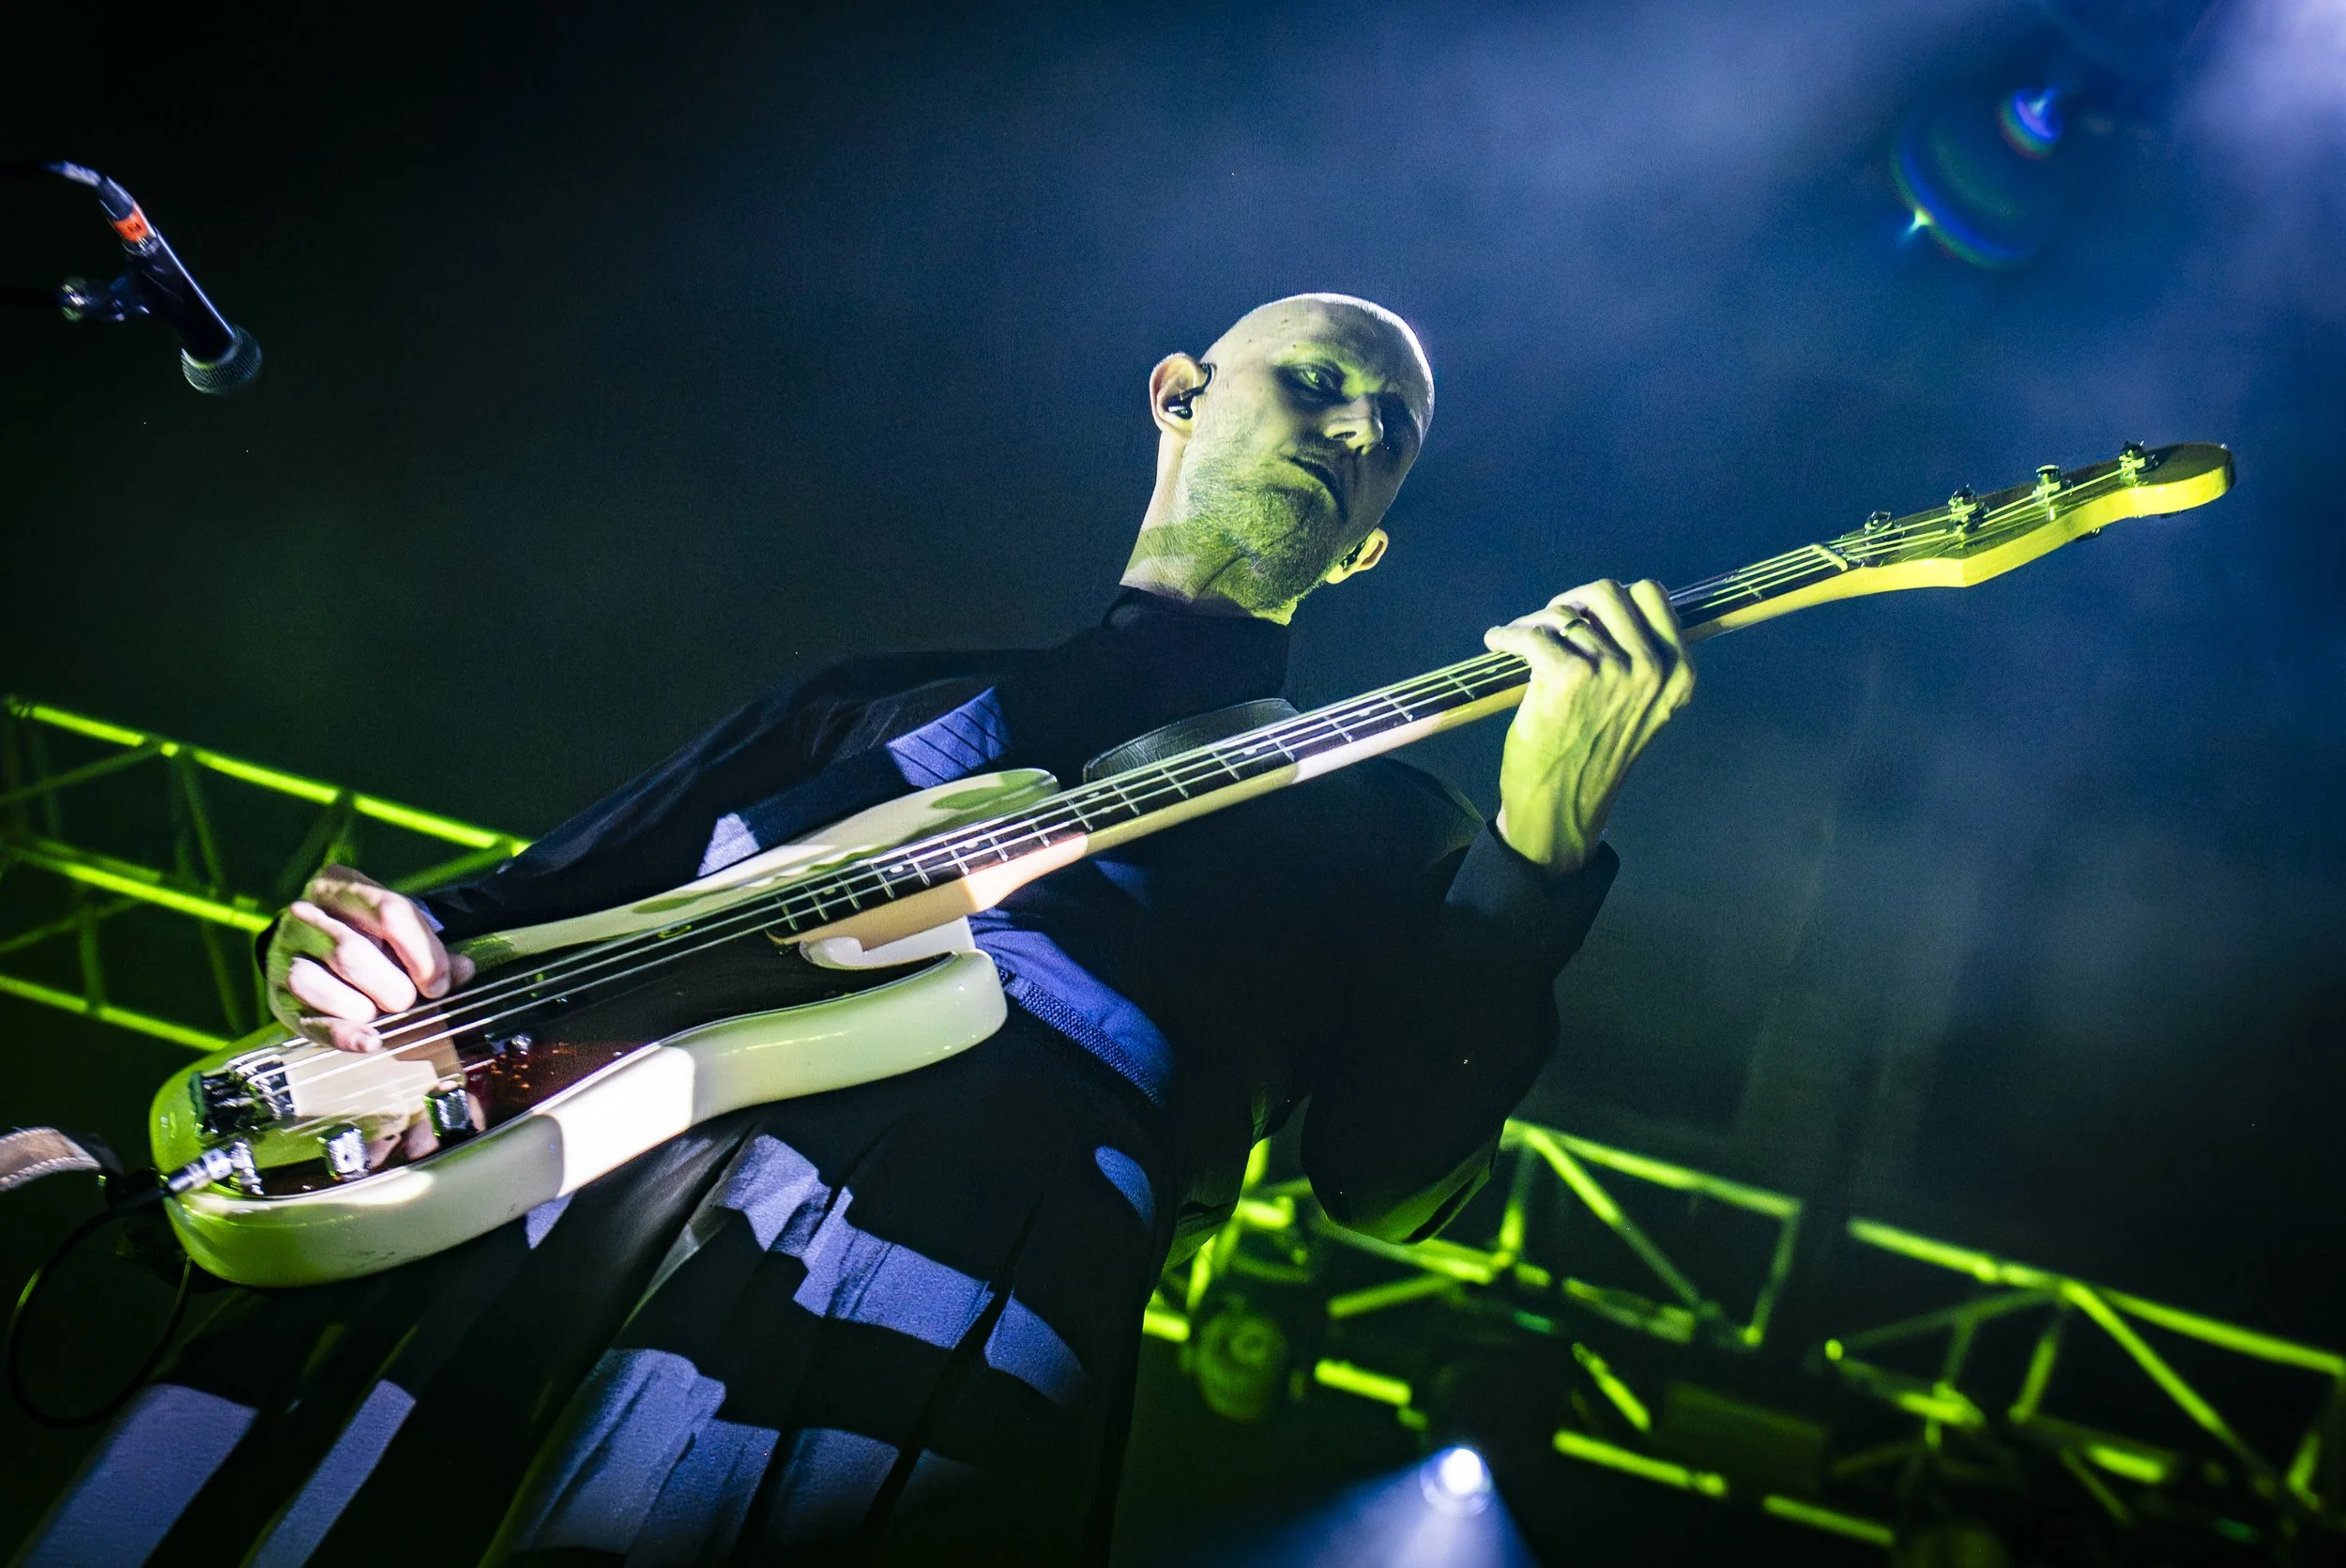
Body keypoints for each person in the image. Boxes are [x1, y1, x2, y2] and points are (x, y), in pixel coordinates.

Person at [18, 294, 1692, 1566]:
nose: (1346, 426)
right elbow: (512, 915)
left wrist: (1539, 859)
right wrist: (369, 951)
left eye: (1385, 429)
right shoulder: (873, 699)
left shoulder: (1390, 822)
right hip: (558, 1172)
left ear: (1374, 539)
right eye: (1313, 379)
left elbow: (1385, 1181)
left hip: (971, 1242)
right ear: (1178, 397)